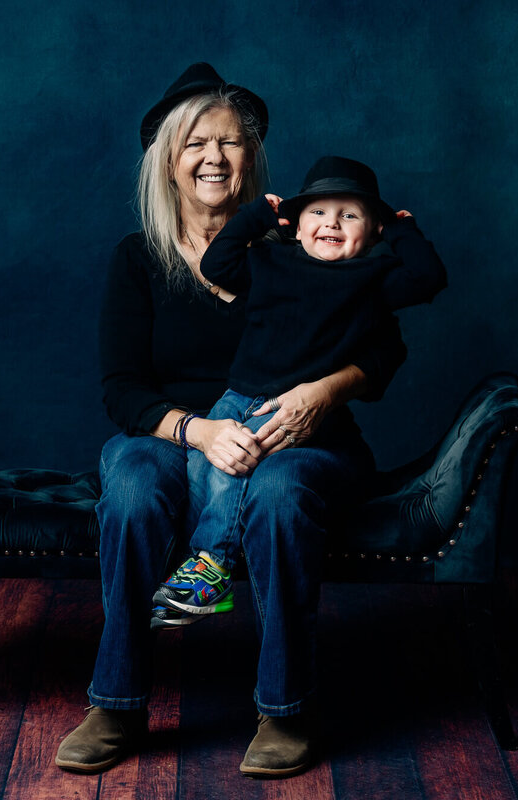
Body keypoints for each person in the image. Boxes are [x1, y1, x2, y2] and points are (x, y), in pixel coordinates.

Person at [54, 63, 409, 779]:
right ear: (168, 162)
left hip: (298, 436)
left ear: (253, 158)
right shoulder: (139, 259)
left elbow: (383, 349)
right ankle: (116, 702)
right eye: (196, 144)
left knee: (279, 494)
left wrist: (322, 394)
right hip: (178, 434)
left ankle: (285, 711)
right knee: (129, 479)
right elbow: (121, 389)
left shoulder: (297, 248)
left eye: (230, 142)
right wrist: (202, 432)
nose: (214, 157)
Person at [152, 156, 447, 622]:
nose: (331, 222)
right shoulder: (270, 260)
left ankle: (212, 565)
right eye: (317, 212)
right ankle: (206, 563)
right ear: (295, 224)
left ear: (373, 232)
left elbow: (429, 278)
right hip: (237, 396)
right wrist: (257, 216)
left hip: (301, 412)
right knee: (211, 461)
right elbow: (217, 262)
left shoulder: (372, 280)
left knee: (243, 470)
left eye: (349, 215)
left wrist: (400, 228)